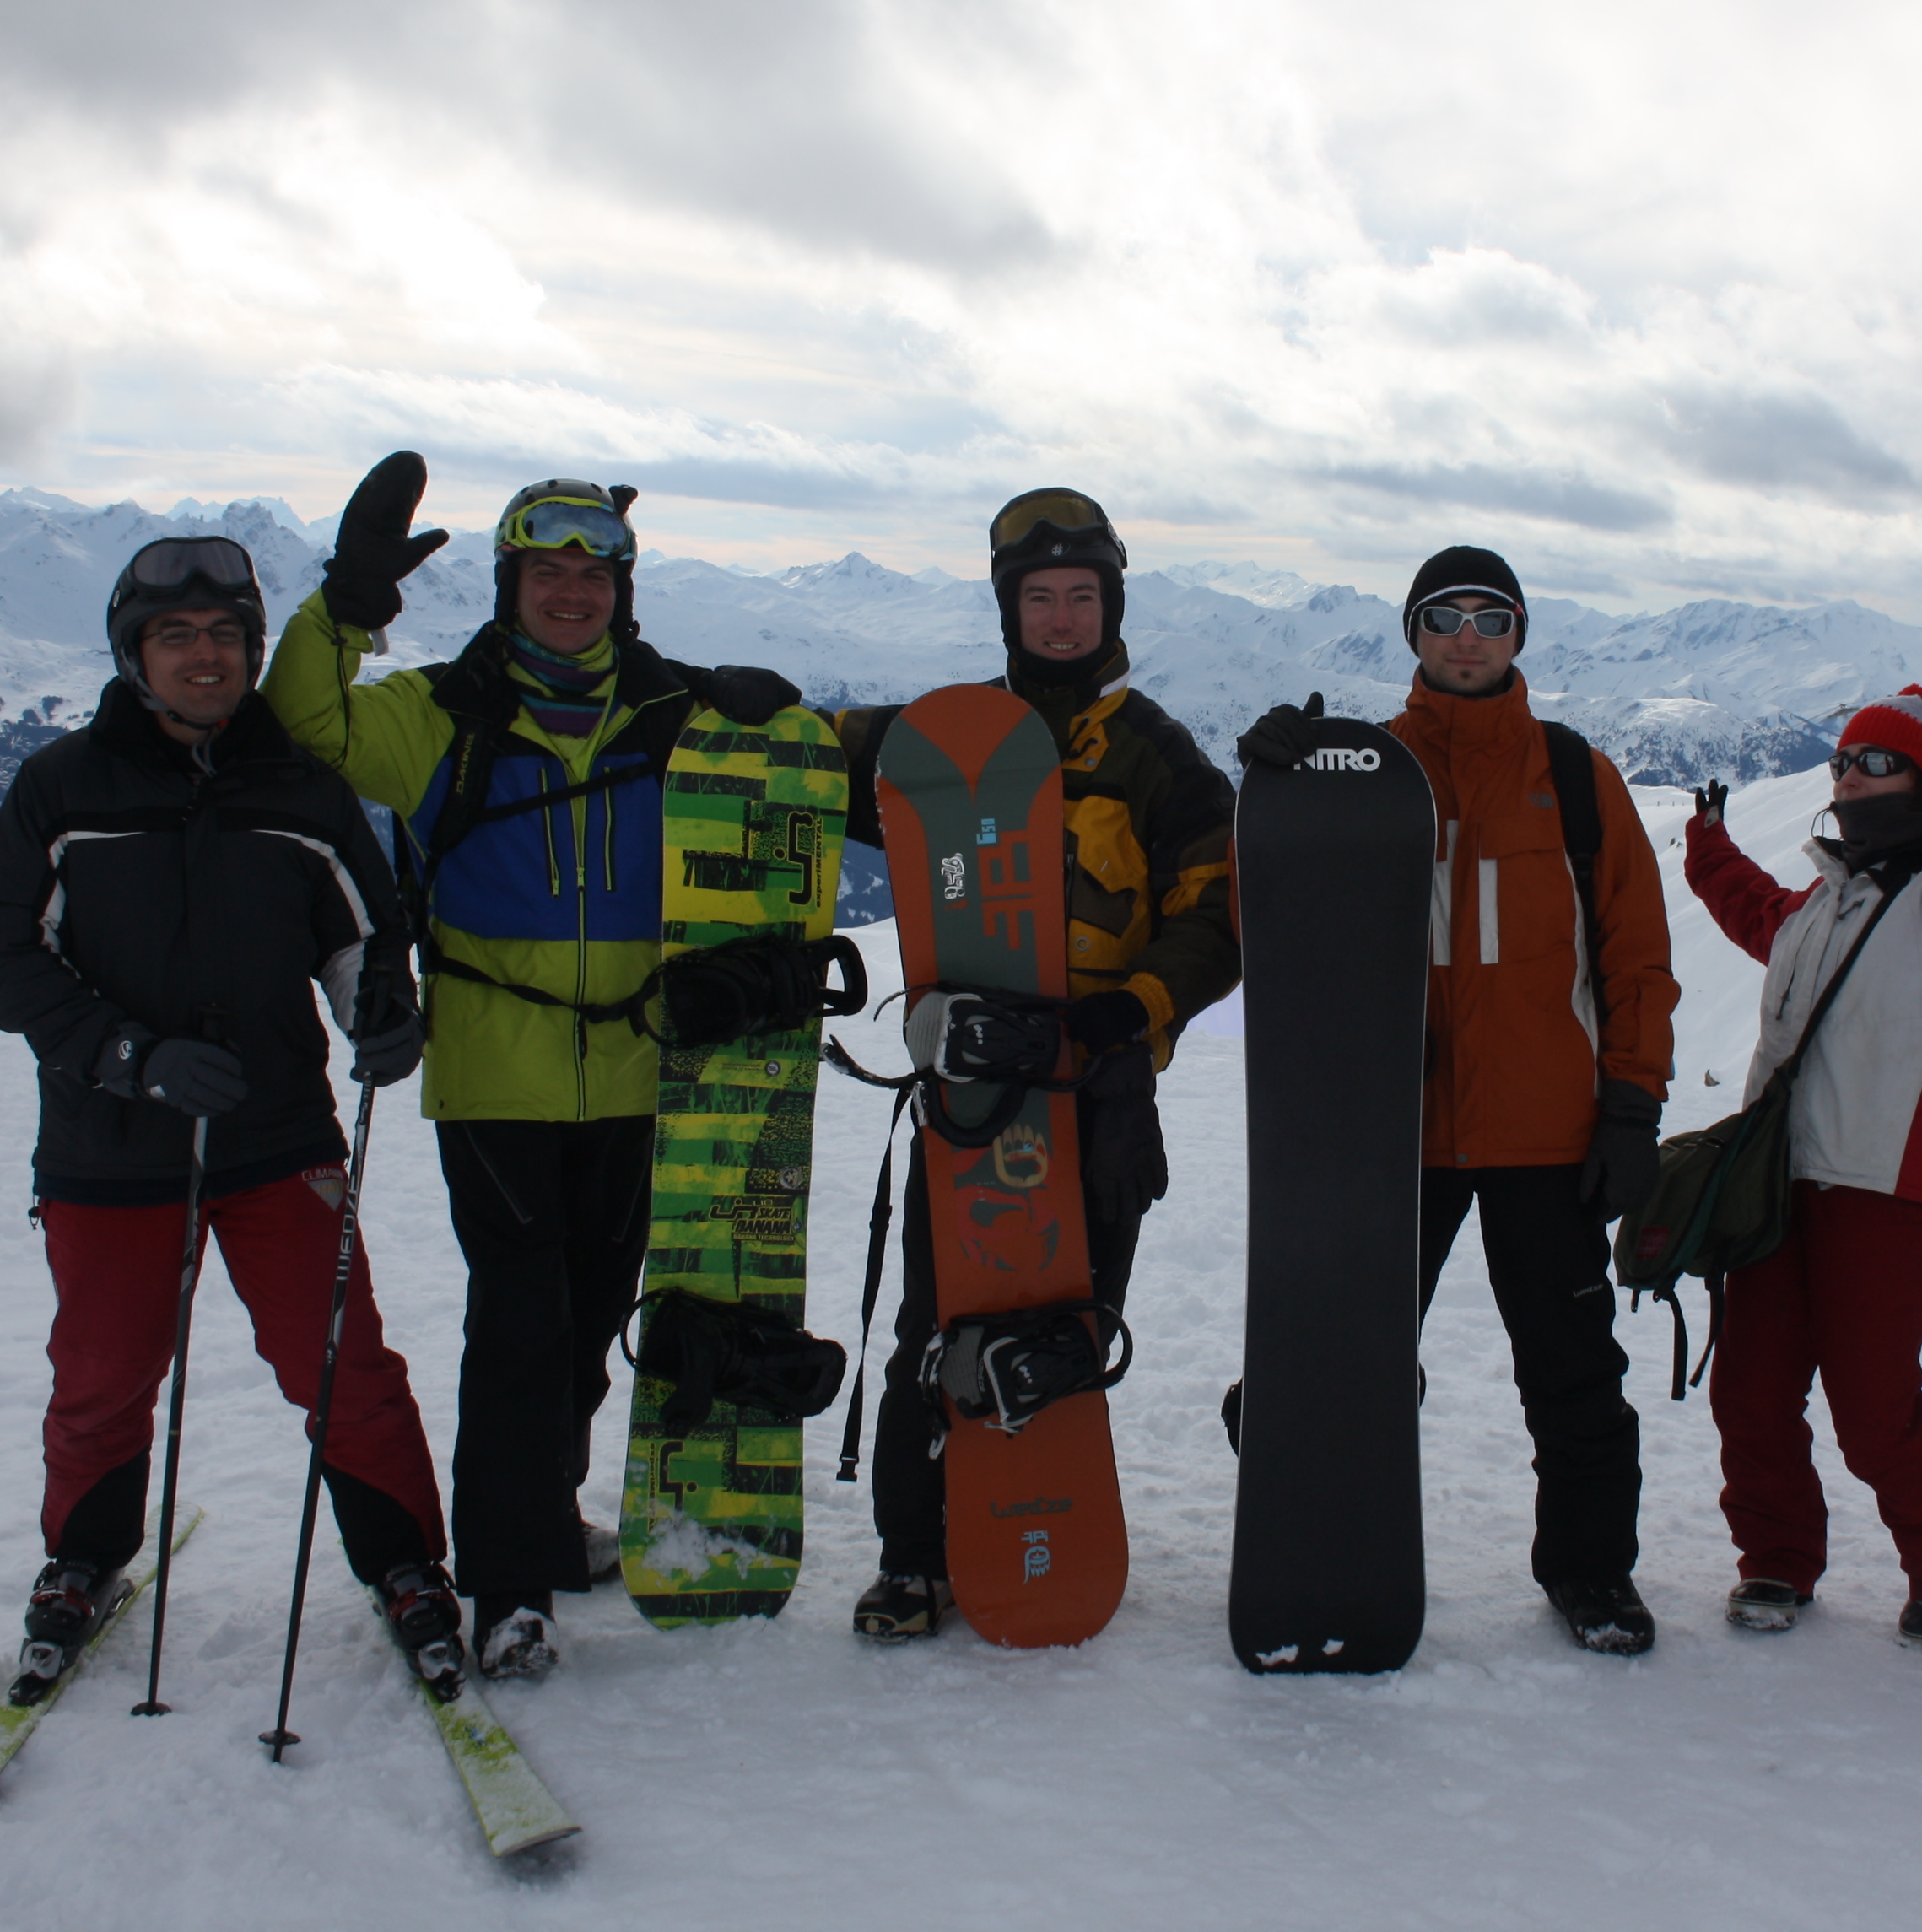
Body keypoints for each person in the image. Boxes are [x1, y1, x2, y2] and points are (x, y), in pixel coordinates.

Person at [261, 452, 802, 1679]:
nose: (570, 593)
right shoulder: (440, 714)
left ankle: (544, 1516)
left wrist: (784, 719)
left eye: (592, 575)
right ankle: (509, 1587)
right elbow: (304, 726)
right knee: (520, 1322)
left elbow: (790, 798)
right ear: (510, 586)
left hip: (637, 1071)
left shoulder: (672, 715)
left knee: (593, 1315)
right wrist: (345, 606)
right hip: (495, 1070)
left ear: (621, 591)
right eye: (547, 573)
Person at [0, 535, 461, 1693]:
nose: (205, 656)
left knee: (341, 1365)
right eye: (175, 637)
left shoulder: (301, 788)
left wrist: (381, 1008)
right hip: (109, 1144)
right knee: (104, 1372)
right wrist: (128, 1056)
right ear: (133, 656)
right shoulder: (64, 787)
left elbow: (361, 934)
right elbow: (2, 954)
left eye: (226, 635)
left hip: (277, 1136)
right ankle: (83, 1559)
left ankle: (405, 1563)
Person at [1245, 545, 1677, 1654]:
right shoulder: (1367, 774)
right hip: (1395, 1132)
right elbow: (1275, 925)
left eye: (1493, 617)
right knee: (1336, 1355)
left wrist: (1632, 1106)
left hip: (1547, 1132)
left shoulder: (1575, 778)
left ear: (1520, 634)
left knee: (1574, 1373)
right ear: (1415, 634)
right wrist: (1279, 794)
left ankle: (1592, 1573)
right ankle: (1316, 1532)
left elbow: (1636, 959)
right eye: (1445, 616)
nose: (1469, 637)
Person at [836, 488, 1240, 1643]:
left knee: (1068, 1316)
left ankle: (1037, 1525)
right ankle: (917, 1556)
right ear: (1010, 609)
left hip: (1098, 1080)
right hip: (975, 1080)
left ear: (1111, 606)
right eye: (1040, 599)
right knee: (940, 1312)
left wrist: (1131, 1014)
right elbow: (821, 759)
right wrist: (738, 710)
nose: (1062, 620)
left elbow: (1216, 917)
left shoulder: (1160, 755)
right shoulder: (949, 742)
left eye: (1082, 598)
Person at [1678, 615, 1922, 1650]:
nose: (1853, 776)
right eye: (1844, 761)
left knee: (1873, 1407)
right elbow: (1755, 912)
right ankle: (1775, 1560)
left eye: (1879, 761)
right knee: (1753, 1394)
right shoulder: (1825, 900)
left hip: (1888, 1190)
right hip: (1777, 1184)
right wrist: (1707, 846)